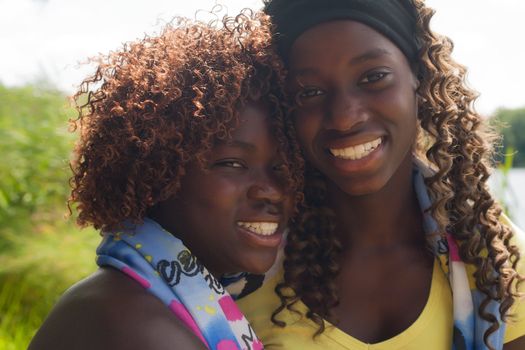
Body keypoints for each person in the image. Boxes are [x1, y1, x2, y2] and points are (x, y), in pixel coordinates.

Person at [236, 1, 525, 349]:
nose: (344, 117)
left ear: (419, 75)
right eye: (310, 92)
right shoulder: (243, 266)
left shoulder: (494, 261)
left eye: (373, 77)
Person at [28, 11, 303, 350]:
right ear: (158, 171)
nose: (272, 190)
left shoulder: (141, 296)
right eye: (232, 163)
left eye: (282, 166)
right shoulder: (136, 325)